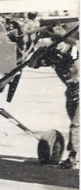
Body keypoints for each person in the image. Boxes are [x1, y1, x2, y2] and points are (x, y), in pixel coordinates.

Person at [32, 24, 79, 170]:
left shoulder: (74, 50)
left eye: (60, 40)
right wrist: (41, 53)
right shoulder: (53, 53)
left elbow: (74, 46)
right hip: (71, 92)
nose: (58, 44)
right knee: (75, 124)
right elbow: (33, 64)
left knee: (76, 126)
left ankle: (72, 157)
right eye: (54, 40)